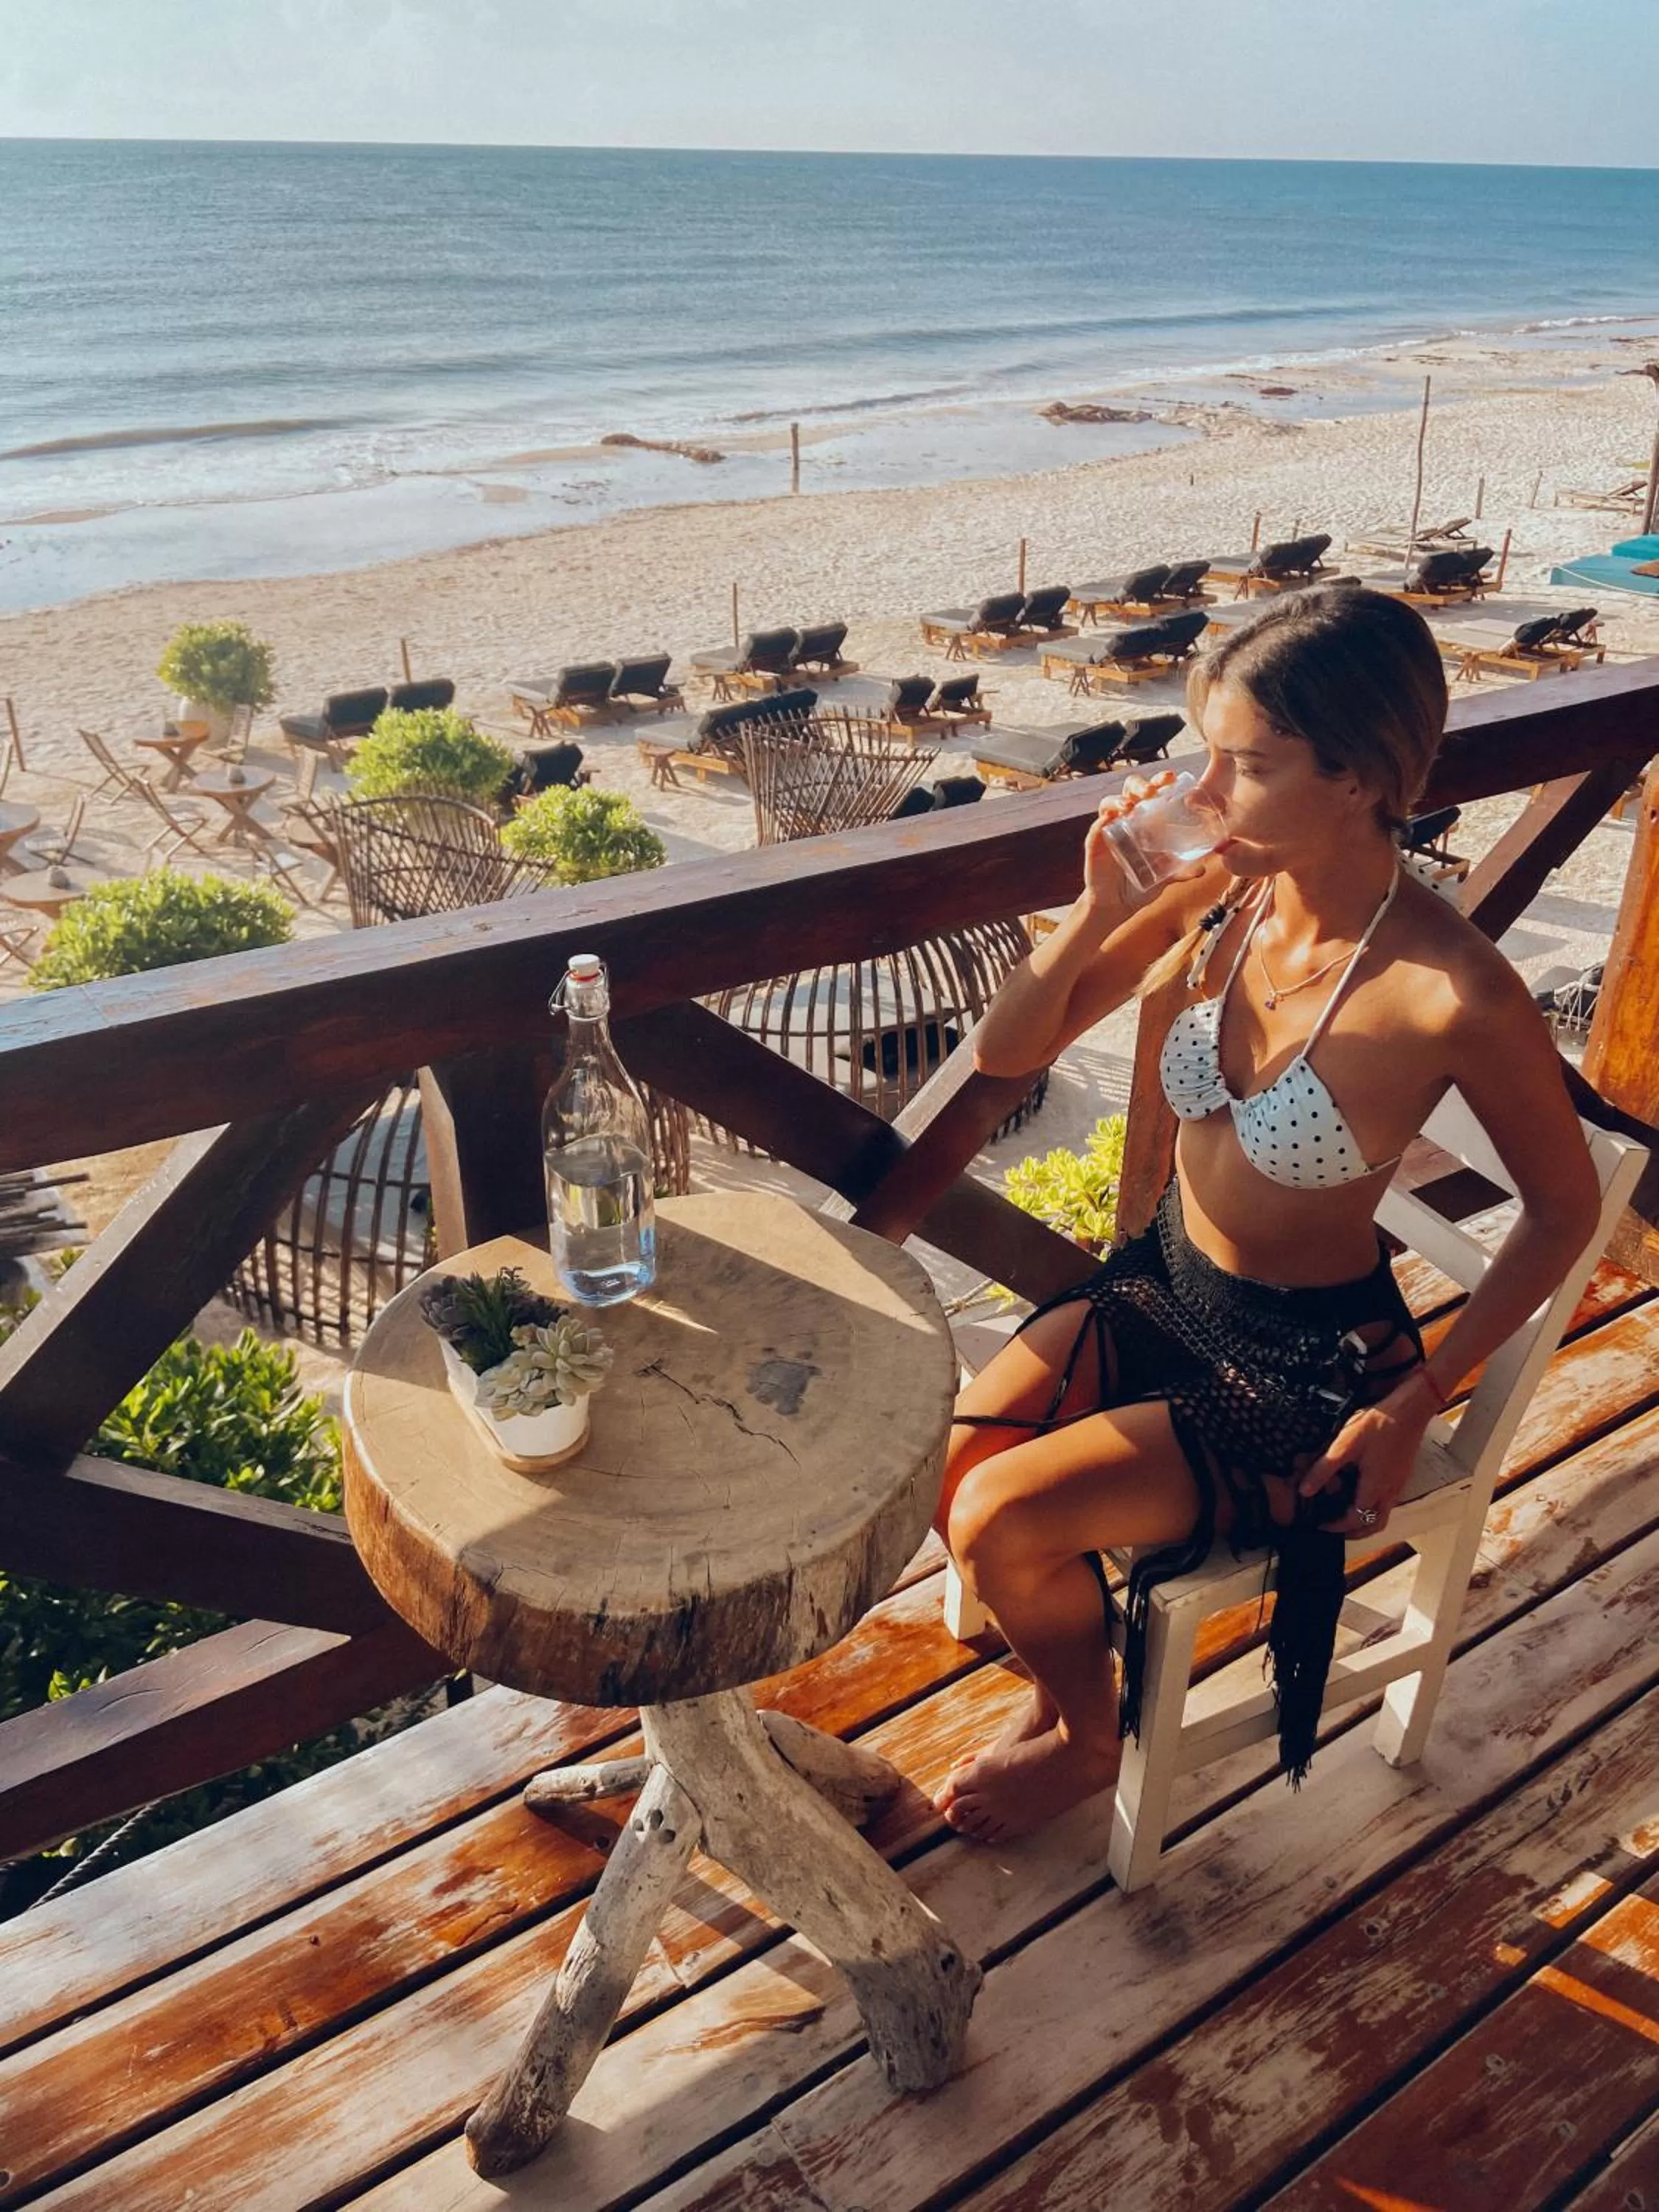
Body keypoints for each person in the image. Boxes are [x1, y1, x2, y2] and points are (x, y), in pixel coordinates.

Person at [936, 584, 1601, 1844]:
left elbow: (1563, 1214)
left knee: (1002, 1517)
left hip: (1306, 1367)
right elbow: (1007, 1051)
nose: (1206, 791)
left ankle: (1087, 1737)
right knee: (956, 1462)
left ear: (1355, 777)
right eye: (1206, 753)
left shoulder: (1451, 991)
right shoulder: (1225, 898)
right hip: (1167, 1281)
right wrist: (1092, 905)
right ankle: (1072, 1681)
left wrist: (1421, 1398)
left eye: (1244, 764)